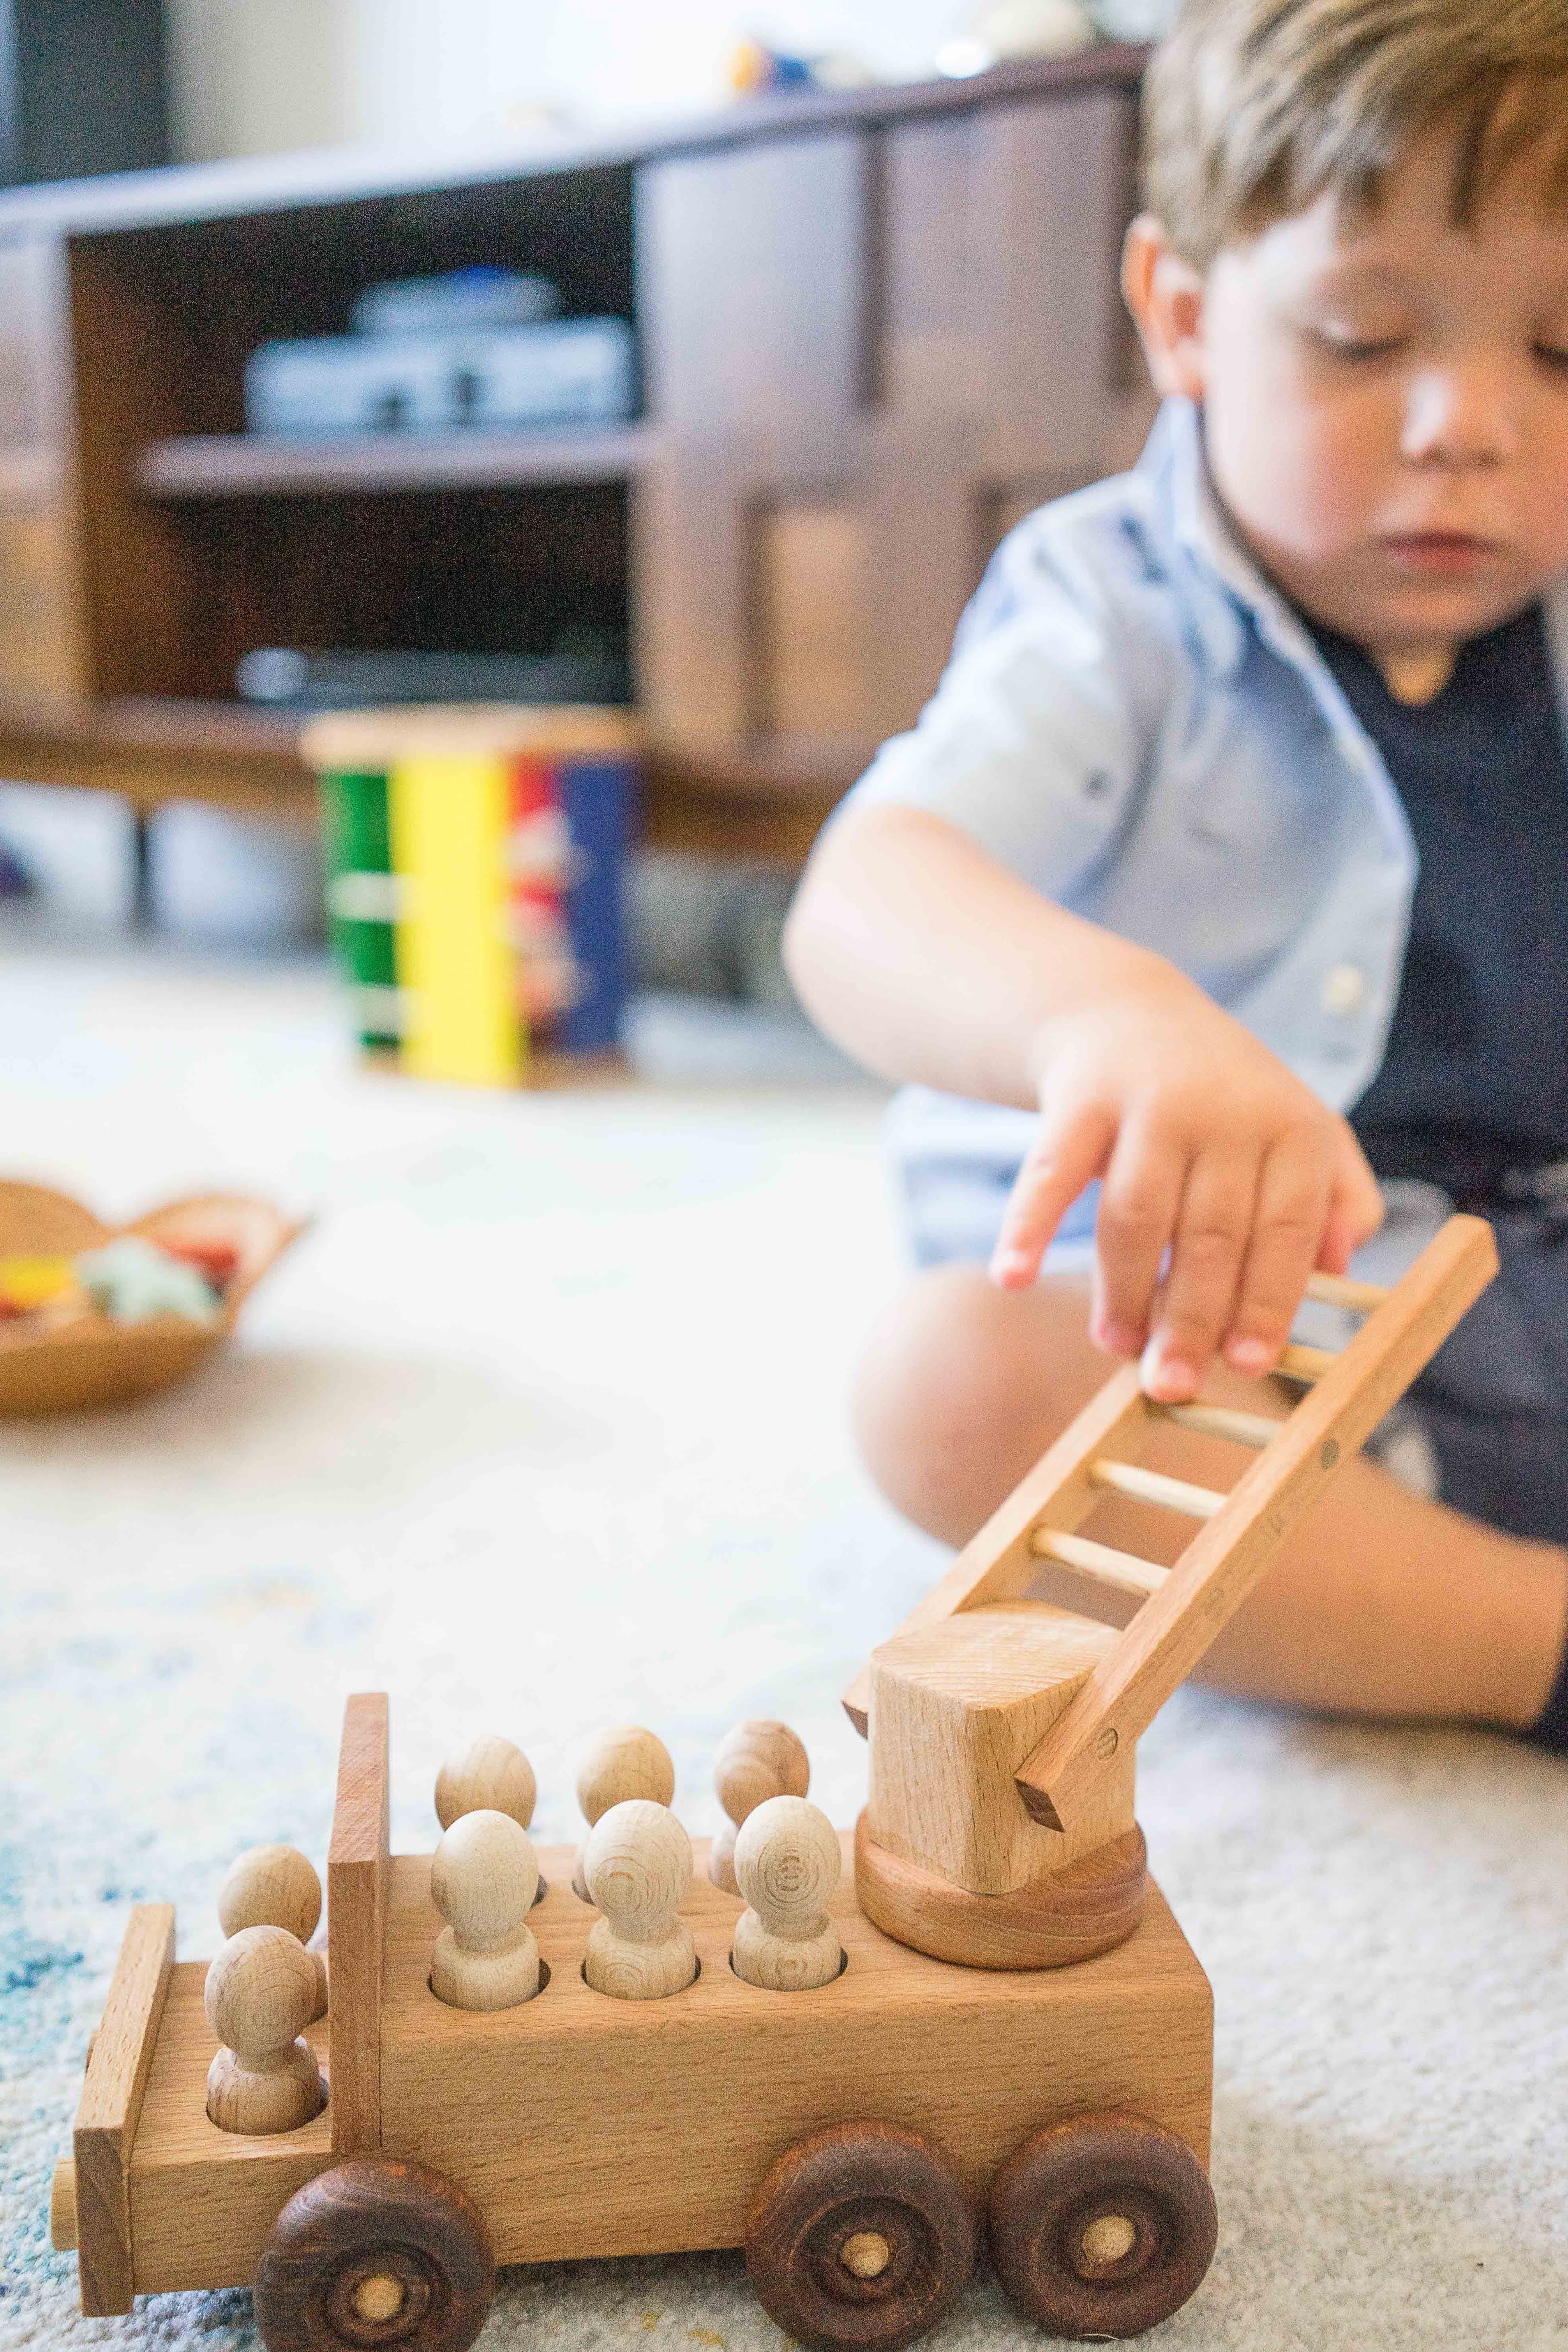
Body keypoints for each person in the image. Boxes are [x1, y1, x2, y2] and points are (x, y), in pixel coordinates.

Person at [783, 0, 1568, 1746]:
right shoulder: (1110, 608)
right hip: (1225, 1343)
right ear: (1186, 315)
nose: (1467, 424)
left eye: (1563, 352)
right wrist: (1104, 1017)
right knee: (950, 1390)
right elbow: (865, 891)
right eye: (1363, 338)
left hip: (1525, 1285)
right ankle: (1524, 1639)